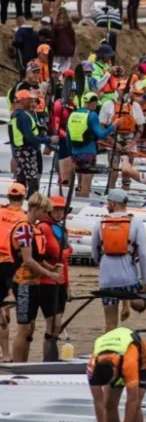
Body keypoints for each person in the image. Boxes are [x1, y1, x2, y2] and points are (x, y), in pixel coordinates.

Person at [10, 193, 63, 362]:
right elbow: (28, 259)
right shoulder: (24, 228)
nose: (45, 215)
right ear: (35, 209)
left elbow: (38, 257)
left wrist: (51, 267)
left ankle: (23, 363)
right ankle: (18, 364)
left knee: (30, 327)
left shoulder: (34, 228)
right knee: (24, 328)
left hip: (34, 283)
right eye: (44, 211)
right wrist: (49, 274)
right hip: (23, 283)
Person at [91, 189, 146, 330]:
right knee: (138, 299)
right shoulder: (136, 223)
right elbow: (143, 254)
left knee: (110, 323)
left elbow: (94, 254)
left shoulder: (100, 222)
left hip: (107, 279)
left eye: (108, 202)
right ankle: (132, 303)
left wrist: (103, 263)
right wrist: (144, 280)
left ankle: (109, 344)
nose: (107, 205)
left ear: (113, 203)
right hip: (129, 278)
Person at [87, 326, 146, 422]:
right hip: (116, 357)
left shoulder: (129, 364)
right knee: (109, 403)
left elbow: (132, 400)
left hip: (142, 362)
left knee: (136, 404)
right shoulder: (92, 365)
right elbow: (98, 401)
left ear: (114, 371)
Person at [67, 92, 115, 198]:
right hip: (88, 153)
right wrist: (112, 127)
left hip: (75, 152)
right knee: (86, 183)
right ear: (92, 103)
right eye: (95, 104)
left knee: (79, 182)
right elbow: (100, 134)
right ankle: (84, 200)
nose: (96, 106)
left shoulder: (73, 114)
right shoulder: (92, 115)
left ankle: (77, 199)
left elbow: (68, 135)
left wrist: (70, 152)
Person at [11, 87, 56, 197]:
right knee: (32, 182)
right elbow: (30, 137)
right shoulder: (23, 116)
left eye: (34, 101)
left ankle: (18, 201)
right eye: (29, 100)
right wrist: (48, 139)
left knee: (21, 179)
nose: (32, 103)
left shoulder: (19, 114)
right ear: (23, 100)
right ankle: (31, 203)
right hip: (26, 150)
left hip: (23, 150)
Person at [0, 184, 26, 361]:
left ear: (8, 197)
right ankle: (7, 354)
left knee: (2, 309)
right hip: (13, 263)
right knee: (12, 301)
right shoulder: (24, 218)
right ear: (23, 198)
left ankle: (6, 353)